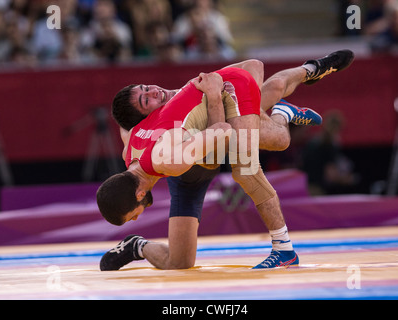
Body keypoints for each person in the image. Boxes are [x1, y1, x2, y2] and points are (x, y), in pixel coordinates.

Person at [98, 50, 354, 270]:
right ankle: (137, 246)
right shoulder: (130, 147)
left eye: (146, 91)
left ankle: (285, 251)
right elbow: (125, 127)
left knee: (247, 168)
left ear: (140, 194)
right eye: (146, 101)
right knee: (179, 262)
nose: (154, 93)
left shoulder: (167, 158)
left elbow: (222, 130)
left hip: (217, 116)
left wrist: (212, 95)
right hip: (192, 165)